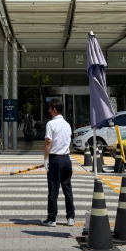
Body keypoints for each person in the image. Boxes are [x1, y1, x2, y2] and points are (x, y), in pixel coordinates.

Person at [42, 97, 75, 227]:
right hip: (66, 158)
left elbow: (48, 142)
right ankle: (70, 217)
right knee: (67, 188)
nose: (49, 112)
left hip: (55, 159)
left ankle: (52, 218)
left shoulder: (51, 124)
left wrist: (46, 159)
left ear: (54, 110)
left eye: (50, 109)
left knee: (53, 189)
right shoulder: (67, 124)